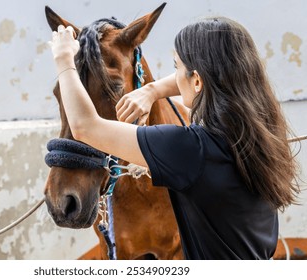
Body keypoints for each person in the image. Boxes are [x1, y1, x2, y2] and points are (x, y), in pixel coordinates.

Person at [48, 16, 300, 260]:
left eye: (176, 67)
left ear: (198, 80)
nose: (175, 77)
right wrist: (150, 90)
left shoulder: (192, 150)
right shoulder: (263, 132)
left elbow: (85, 127)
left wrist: (63, 60)